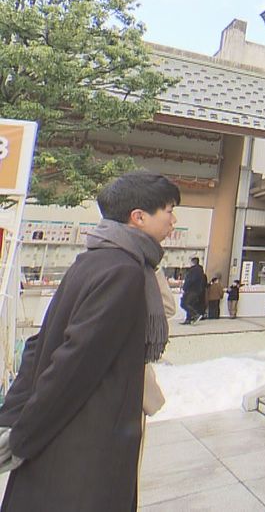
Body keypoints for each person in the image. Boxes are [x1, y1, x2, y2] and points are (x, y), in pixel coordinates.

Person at [0, 170, 179, 510]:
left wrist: (13, 416)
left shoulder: (94, 259)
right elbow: (74, 364)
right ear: (138, 217)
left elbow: (40, 343)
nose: (174, 219)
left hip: (68, 443)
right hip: (86, 446)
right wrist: (22, 437)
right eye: (168, 210)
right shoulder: (125, 272)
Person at [181, 256, 206, 324]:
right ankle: (188, 319)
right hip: (197, 290)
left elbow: (190, 280)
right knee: (190, 304)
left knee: (184, 303)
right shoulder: (201, 271)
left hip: (191, 290)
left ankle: (195, 315)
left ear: (192, 262)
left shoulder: (193, 270)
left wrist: (184, 288)